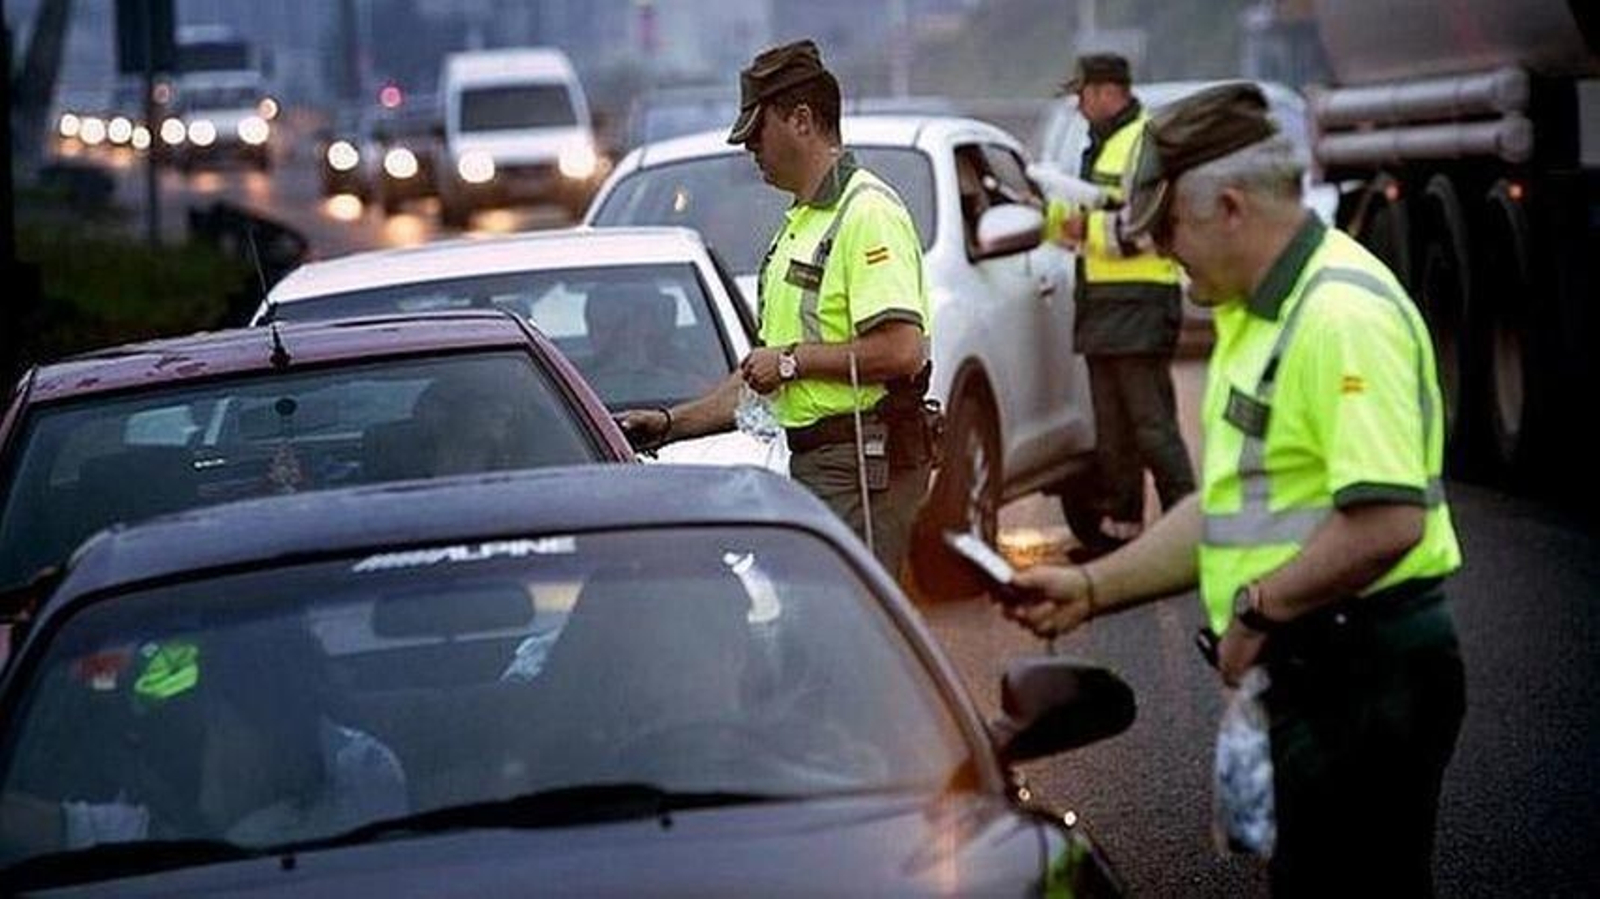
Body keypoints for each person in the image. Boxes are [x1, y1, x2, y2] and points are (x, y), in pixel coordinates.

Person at [1003, 83, 1466, 896]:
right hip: (1320, 665)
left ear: (1228, 206)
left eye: (1168, 228)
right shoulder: (1258, 313)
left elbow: (1390, 519)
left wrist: (1259, 608)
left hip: (1364, 671)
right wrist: (1086, 586)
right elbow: (1229, 511)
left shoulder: (1339, 317)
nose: (1162, 250)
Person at [618, 39, 935, 577]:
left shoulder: (866, 213)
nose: (750, 150)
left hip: (861, 463)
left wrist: (792, 359)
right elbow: (762, 377)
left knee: (838, 643)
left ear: (802, 120)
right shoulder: (800, 225)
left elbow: (903, 351)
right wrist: (670, 425)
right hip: (820, 464)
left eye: (756, 133)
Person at [1054, 53, 1195, 558]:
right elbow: (1084, 216)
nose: (1077, 104)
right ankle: (1121, 538)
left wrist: (1081, 230)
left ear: (1107, 91)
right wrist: (1045, 216)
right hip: (1104, 307)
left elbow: (1148, 223)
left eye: (1082, 94)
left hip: (1140, 304)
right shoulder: (1102, 144)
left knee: (1152, 427)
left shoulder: (1142, 142)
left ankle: (1188, 534)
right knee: (1113, 434)